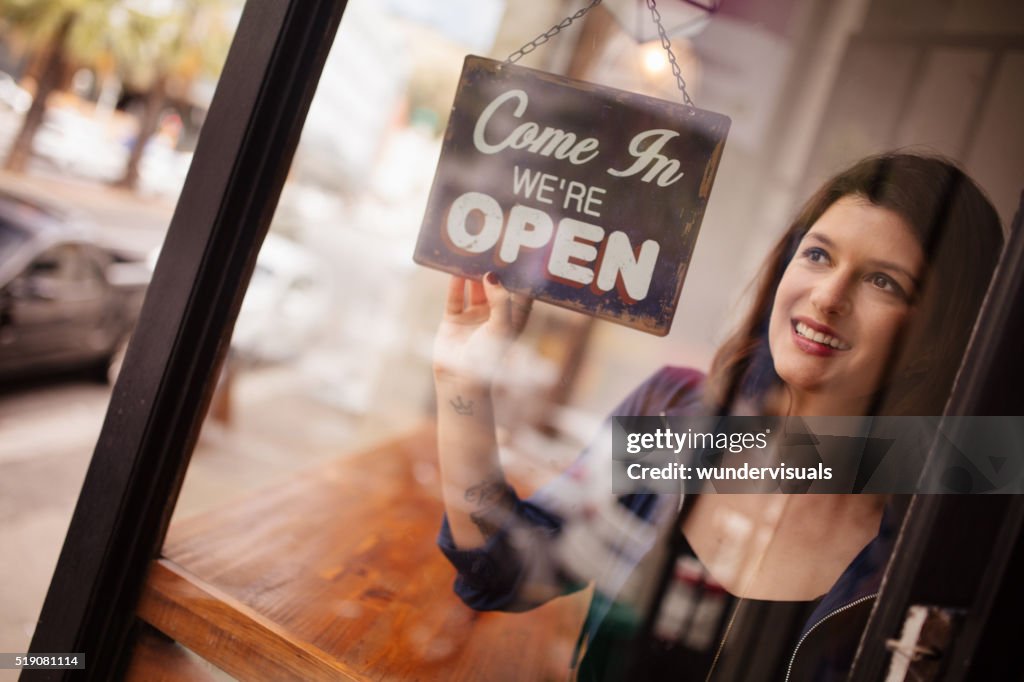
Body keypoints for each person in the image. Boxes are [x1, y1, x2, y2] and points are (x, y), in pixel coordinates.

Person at [430, 153, 1003, 680]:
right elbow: (500, 568)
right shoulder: (674, 414)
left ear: (937, 336)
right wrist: (463, 383)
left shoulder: (933, 536)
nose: (829, 296)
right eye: (818, 254)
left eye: (884, 281)